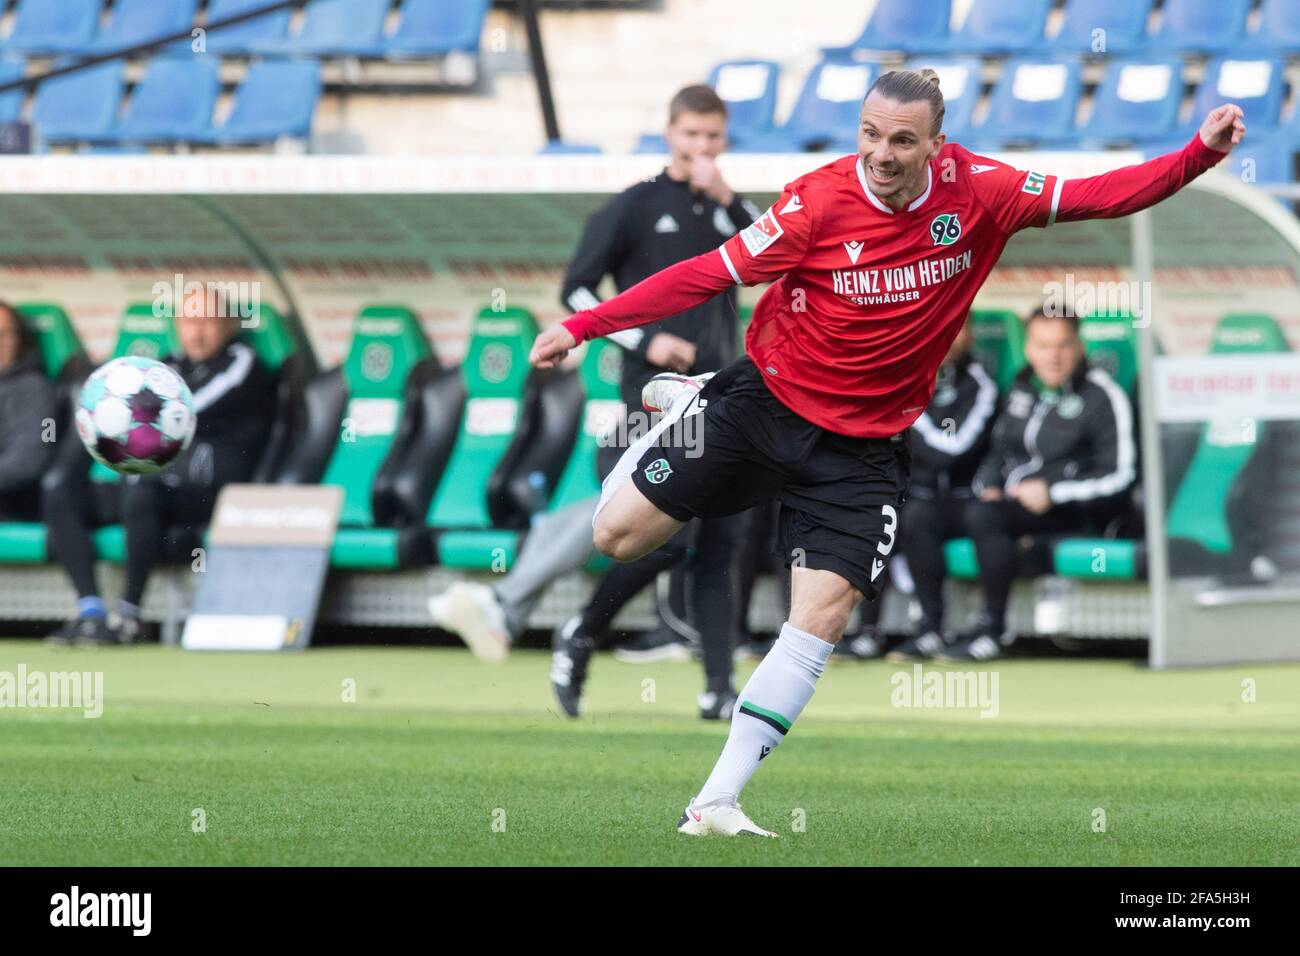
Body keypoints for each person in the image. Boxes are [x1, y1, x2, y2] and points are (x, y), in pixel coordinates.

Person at [529, 67, 1245, 837]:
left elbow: (1100, 194)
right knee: (617, 537)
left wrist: (1196, 154)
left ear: (937, 144)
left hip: (864, 448)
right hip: (764, 405)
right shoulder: (816, 202)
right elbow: (708, 272)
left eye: (903, 139)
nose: (883, 152)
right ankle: (690, 402)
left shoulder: (984, 190)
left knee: (820, 620)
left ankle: (714, 800)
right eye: (871, 134)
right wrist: (584, 326)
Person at [552, 82, 760, 719]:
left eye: (713, 137)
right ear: (670, 134)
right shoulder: (635, 206)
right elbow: (576, 292)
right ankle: (583, 632)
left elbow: (776, 259)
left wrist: (730, 199)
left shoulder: (734, 211)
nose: (702, 148)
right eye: (692, 135)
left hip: (725, 400)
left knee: (722, 546)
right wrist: (648, 337)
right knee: (665, 538)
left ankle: (718, 690)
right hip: (654, 408)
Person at [45, 287, 276, 645]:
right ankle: (90, 612)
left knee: (142, 489)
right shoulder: (168, 367)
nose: (197, 331)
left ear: (229, 325)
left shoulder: (241, 363)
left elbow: (185, 407)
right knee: (61, 492)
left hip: (208, 493)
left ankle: (129, 617)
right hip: (152, 484)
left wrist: (133, 407)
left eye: (207, 321)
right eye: (188, 321)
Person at [938, 309, 1136, 662]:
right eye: (1043, 345)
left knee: (985, 517)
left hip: (1069, 513)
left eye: (1062, 345)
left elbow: (1120, 475)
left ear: (1079, 346)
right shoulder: (1021, 385)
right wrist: (990, 484)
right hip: (1008, 506)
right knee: (922, 514)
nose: (1053, 355)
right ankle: (930, 631)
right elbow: (997, 452)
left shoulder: (1103, 396)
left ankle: (993, 631)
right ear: (1029, 348)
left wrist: (1053, 493)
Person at [886, 313, 998, 661]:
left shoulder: (981, 385)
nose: (948, 334)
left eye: (958, 326)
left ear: (970, 335)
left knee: (971, 516)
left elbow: (951, 450)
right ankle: (916, 629)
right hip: (916, 497)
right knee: (897, 511)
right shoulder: (908, 376)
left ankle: (991, 628)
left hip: (966, 501)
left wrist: (905, 411)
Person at [0, 302, 57, 521]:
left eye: (6, 335)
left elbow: (36, 453)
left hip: (12, 500)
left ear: (20, 341)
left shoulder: (37, 389)